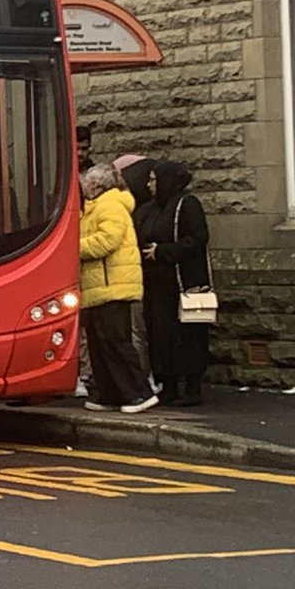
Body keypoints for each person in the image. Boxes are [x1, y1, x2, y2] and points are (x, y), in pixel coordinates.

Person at [78, 163, 157, 413]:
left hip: (113, 285)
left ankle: (138, 393)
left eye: (87, 183)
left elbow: (106, 241)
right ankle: (111, 393)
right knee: (101, 345)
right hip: (100, 286)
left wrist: (73, 247)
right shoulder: (98, 207)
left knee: (116, 343)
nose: (84, 188)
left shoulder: (110, 205)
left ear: (97, 185)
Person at [134, 161, 212, 406]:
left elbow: (198, 239)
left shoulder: (187, 205)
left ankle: (192, 388)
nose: (150, 185)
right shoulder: (151, 209)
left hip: (184, 283)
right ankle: (168, 385)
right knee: (161, 336)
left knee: (188, 335)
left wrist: (164, 251)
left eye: (154, 179)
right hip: (158, 285)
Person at [113, 153, 158, 387]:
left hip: (129, 281)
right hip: (136, 279)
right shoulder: (138, 209)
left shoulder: (131, 211)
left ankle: (141, 379)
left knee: (135, 332)